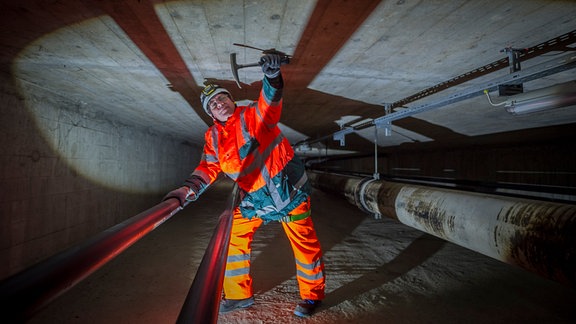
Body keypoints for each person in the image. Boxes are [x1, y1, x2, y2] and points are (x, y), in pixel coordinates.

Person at [163, 53, 325, 318]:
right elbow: (208, 168)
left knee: (306, 246)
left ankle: (311, 296)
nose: (219, 103)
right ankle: (239, 295)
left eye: (222, 98)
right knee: (231, 235)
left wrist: (272, 77)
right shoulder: (213, 137)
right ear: (210, 112)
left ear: (231, 99)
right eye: (213, 103)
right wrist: (186, 190)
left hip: (290, 193)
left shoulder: (252, 115)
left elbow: (270, 103)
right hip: (258, 200)